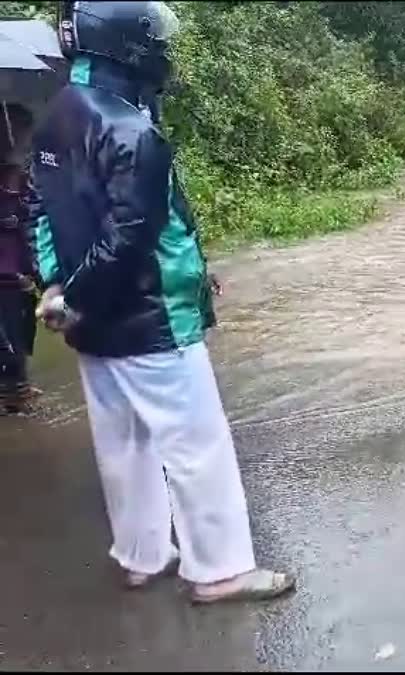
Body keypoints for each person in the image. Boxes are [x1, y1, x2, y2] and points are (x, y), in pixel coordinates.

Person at [31, 1, 294, 603]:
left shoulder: (56, 118)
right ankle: (221, 569)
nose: (161, 49)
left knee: (123, 443)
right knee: (196, 443)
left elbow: (43, 212)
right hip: (150, 320)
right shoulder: (131, 129)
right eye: (153, 37)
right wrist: (77, 293)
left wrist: (59, 289)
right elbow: (132, 238)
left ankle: (141, 555)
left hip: (91, 323)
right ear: (124, 42)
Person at [0, 103, 39, 414]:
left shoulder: (25, 182)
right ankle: (13, 391)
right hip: (6, 275)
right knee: (9, 344)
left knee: (21, 337)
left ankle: (17, 389)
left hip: (21, 272)